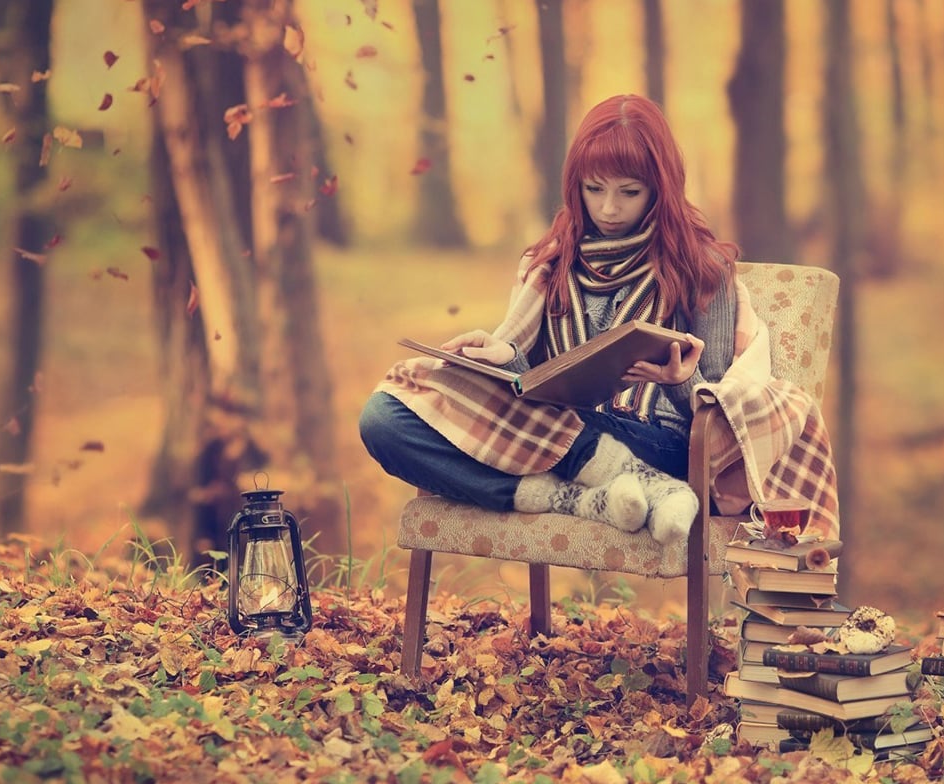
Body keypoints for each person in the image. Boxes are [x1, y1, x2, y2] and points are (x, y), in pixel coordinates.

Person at [359, 94, 838, 544]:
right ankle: (581, 500)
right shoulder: (553, 261)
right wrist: (506, 356)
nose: (609, 208)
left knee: (537, 422)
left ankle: (638, 480)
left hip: (662, 445)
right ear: (576, 186)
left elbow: (720, 414)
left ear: (661, 189)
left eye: (629, 191)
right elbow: (542, 379)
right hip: (558, 434)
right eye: (594, 189)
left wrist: (679, 381)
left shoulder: (702, 268)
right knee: (384, 419)